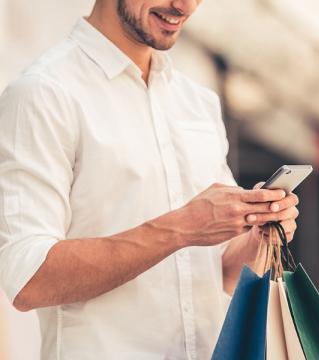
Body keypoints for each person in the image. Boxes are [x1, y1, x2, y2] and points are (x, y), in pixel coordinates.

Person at [0, 1, 299, 359]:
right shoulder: (42, 94)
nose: (184, 6)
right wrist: (182, 227)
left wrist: (255, 231)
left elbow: (219, 274)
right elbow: (28, 278)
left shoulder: (197, 102)